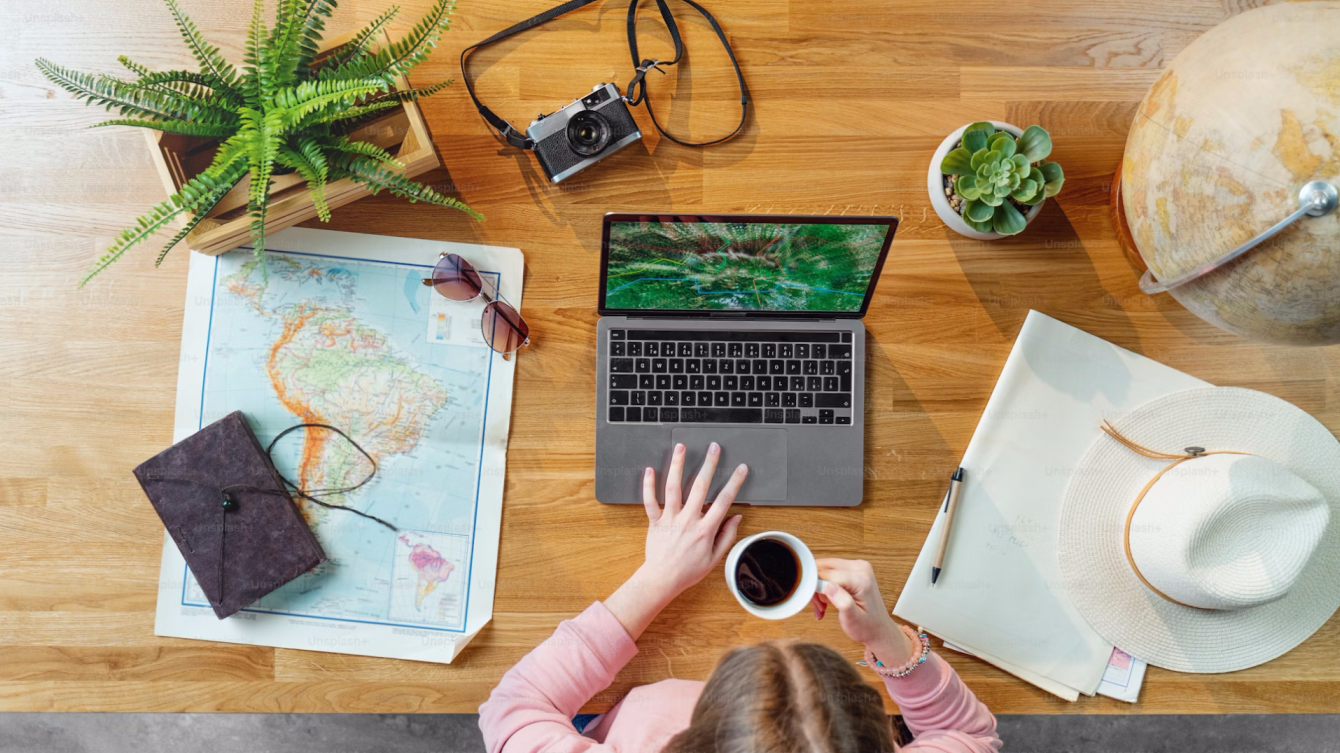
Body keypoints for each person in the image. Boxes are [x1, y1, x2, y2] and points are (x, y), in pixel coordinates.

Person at [480, 443, 1001, 753]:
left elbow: (512, 708)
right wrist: (889, 640)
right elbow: (971, 735)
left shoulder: (646, 735)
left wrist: (656, 577)